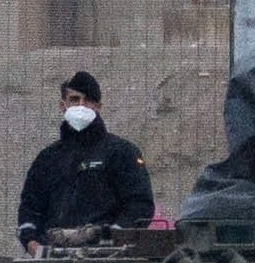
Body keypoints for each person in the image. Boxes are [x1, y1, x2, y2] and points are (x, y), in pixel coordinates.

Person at [17, 70, 156, 251]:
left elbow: (139, 204)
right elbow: (30, 206)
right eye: (74, 100)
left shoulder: (122, 152)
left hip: (106, 260)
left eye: (88, 100)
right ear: (63, 104)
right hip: (52, 259)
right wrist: (31, 242)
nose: (81, 106)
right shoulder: (47, 159)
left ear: (98, 106)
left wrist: (114, 237)